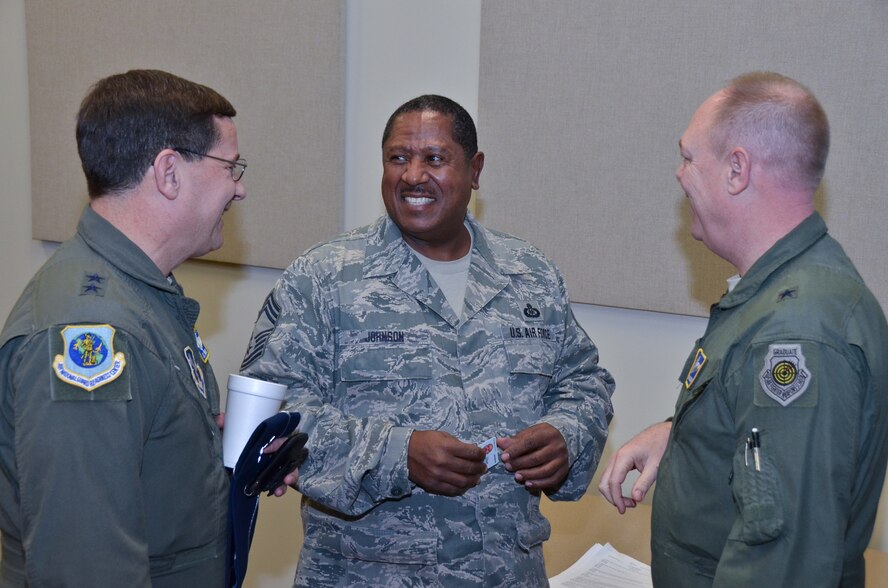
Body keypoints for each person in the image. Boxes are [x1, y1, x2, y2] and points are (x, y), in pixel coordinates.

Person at [240, 94, 615, 586]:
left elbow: (584, 382)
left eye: (434, 159)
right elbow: (270, 415)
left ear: (475, 169)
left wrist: (566, 434)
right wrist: (396, 453)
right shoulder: (324, 278)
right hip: (365, 575)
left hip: (506, 573)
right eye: (398, 158)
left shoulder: (530, 274)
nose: (413, 175)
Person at [598, 72, 888, 587]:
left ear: (736, 169)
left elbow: (784, 563)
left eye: (689, 157)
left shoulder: (798, 334)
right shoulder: (785, 292)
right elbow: (768, 433)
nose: (679, 174)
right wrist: (685, 435)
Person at [0, 69, 247, 586]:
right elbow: (86, 565)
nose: (239, 189)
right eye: (231, 167)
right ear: (169, 172)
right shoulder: (88, 332)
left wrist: (208, 450)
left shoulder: (143, 293)